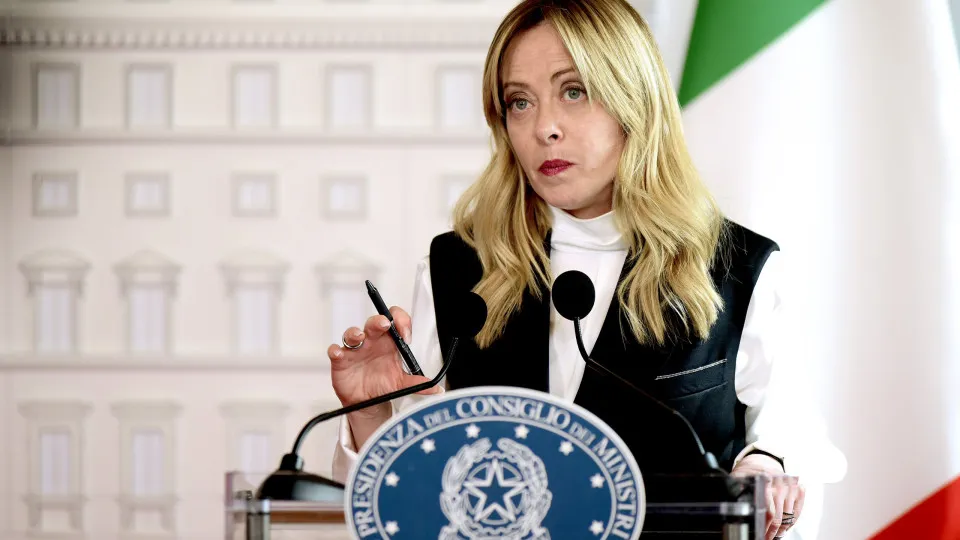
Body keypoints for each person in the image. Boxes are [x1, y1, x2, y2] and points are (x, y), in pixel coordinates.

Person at [327, 1, 846, 538]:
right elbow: (412, 503)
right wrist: (369, 415)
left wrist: (765, 467)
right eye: (520, 102)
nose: (544, 128)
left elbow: (790, 440)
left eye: (573, 91)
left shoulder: (739, 270)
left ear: (635, 101)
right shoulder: (457, 270)